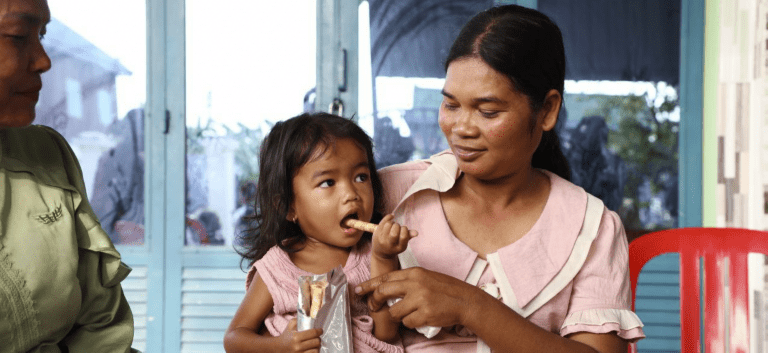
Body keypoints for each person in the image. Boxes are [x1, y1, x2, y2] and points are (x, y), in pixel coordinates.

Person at [355, 5, 645, 353]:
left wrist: (470, 305)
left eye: (488, 111)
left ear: (548, 110)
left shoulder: (592, 227)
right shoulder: (387, 195)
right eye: (450, 105)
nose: (461, 128)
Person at [0, 0, 136, 352]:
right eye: (17, 35)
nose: (44, 61)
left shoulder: (48, 155)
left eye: (42, 35)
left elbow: (103, 329)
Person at [224, 113, 418, 353]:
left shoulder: (373, 255)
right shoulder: (276, 268)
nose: (351, 193)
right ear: (288, 206)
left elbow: (386, 334)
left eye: (360, 177)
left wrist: (383, 259)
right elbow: (234, 339)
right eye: (328, 182)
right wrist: (280, 346)